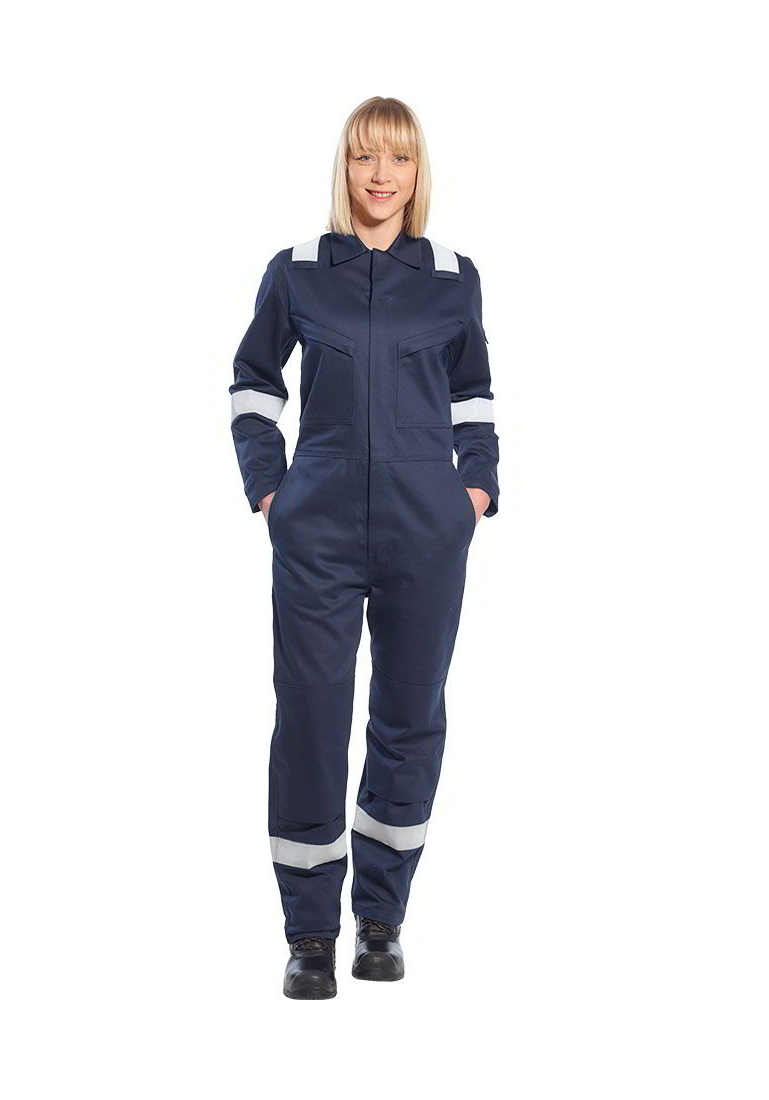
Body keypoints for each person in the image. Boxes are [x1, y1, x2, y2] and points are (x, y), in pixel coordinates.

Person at [229, 96, 500, 999]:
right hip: (319, 528)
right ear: (343, 168)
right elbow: (253, 383)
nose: (381, 176)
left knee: (409, 716)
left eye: (399, 159)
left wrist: (475, 489)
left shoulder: (453, 278)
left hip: (428, 527)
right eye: (364, 157)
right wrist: (271, 487)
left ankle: (381, 919)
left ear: (419, 173)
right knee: (310, 718)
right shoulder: (298, 272)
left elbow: (475, 396)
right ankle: (309, 934)